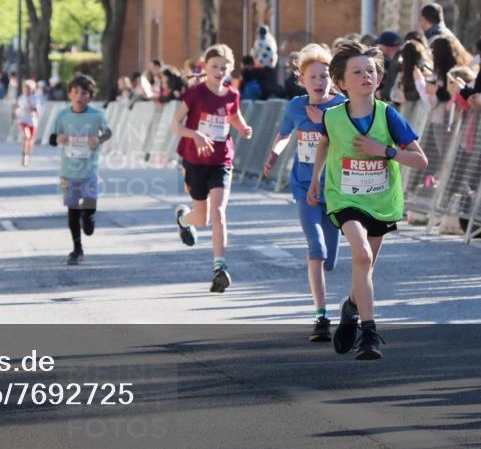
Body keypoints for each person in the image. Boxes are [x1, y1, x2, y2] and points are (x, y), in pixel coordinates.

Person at [307, 41, 428, 360]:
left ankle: (350, 307)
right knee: (361, 254)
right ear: (343, 83)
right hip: (344, 198)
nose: (365, 76)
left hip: (381, 201)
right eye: (357, 72)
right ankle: (370, 333)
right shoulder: (331, 117)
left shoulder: (388, 115)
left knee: (365, 265)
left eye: (371, 71)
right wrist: (316, 178)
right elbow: (323, 144)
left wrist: (385, 151)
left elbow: (421, 161)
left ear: (379, 78)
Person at [263, 44, 346, 342]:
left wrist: (320, 121)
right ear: (302, 79)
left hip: (336, 189)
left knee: (331, 261)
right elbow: (284, 134)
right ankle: (321, 317)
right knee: (317, 250)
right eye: (313, 76)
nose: (319, 81)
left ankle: (328, 306)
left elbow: (348, 140)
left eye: (324, 76)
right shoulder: (295, 106)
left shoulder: (342, 106)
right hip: (303, 186)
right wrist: (274, 154)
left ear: (332, 79)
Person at [171, 44, 254, 293]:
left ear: (230, 69)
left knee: (218, 213)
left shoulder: (232, 95)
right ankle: (184, 220)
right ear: (205, 67)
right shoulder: (195, 93)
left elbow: (234, 116)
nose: (219, 71)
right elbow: (175, 125)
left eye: (224, 67)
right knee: (202, 218)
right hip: (195, 161)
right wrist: (195, 134)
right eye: (214, 66)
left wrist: (243, 127)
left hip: (221, 160)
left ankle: (219, 267)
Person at [49, 73, 112, 265]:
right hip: (68, 171)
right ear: (69, 94)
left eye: (84, 93)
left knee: (89, 208)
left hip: (90, 171)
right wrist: (58, 139)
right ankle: (77, 249)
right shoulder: (62, 115)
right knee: (72, 211)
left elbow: (107, 132)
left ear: (91, 96)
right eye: (75, 92)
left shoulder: (96, 115)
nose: (79, 96)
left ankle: (89, 218)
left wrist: (98, 140)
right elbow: (52, 139)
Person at [15, 80, 41, 167]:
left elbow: (36, 110)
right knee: (27, 136)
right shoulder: (21, 98)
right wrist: (16, 112)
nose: (26, 91)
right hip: (23, 120)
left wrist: (31, 107)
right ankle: (24, 153)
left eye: (28, 89)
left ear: (32, 90)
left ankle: (27, 155)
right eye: (25, 89)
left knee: (30, 141)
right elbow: (17, 107)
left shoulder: (35, 98)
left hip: (32, 121)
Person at [375, 31, 402, 104]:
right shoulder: (399, 58)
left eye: (381, 45)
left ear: (387, 47)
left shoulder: (397, 62)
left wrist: (381, 93)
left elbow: (393, 85)